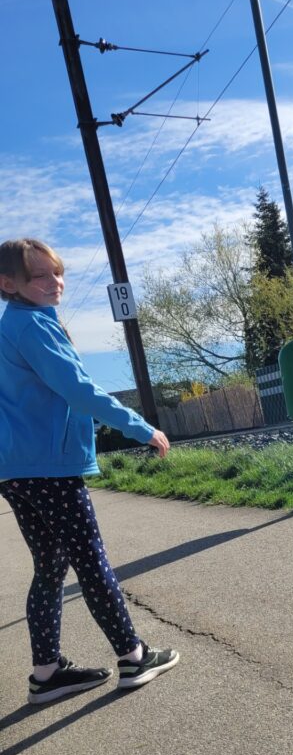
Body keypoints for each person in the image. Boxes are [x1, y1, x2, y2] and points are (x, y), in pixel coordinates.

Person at [0, 238, 179, 704]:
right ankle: (134, 656)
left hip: (17, 469)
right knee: (90, 560)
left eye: (57, 272)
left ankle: (46, 673)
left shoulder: (10, 327)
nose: (55, 282)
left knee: (50, 566)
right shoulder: (33, 325)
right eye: (40, 275)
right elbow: (78, 389)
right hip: (50, 467)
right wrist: (141, 427)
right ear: (8, 284)